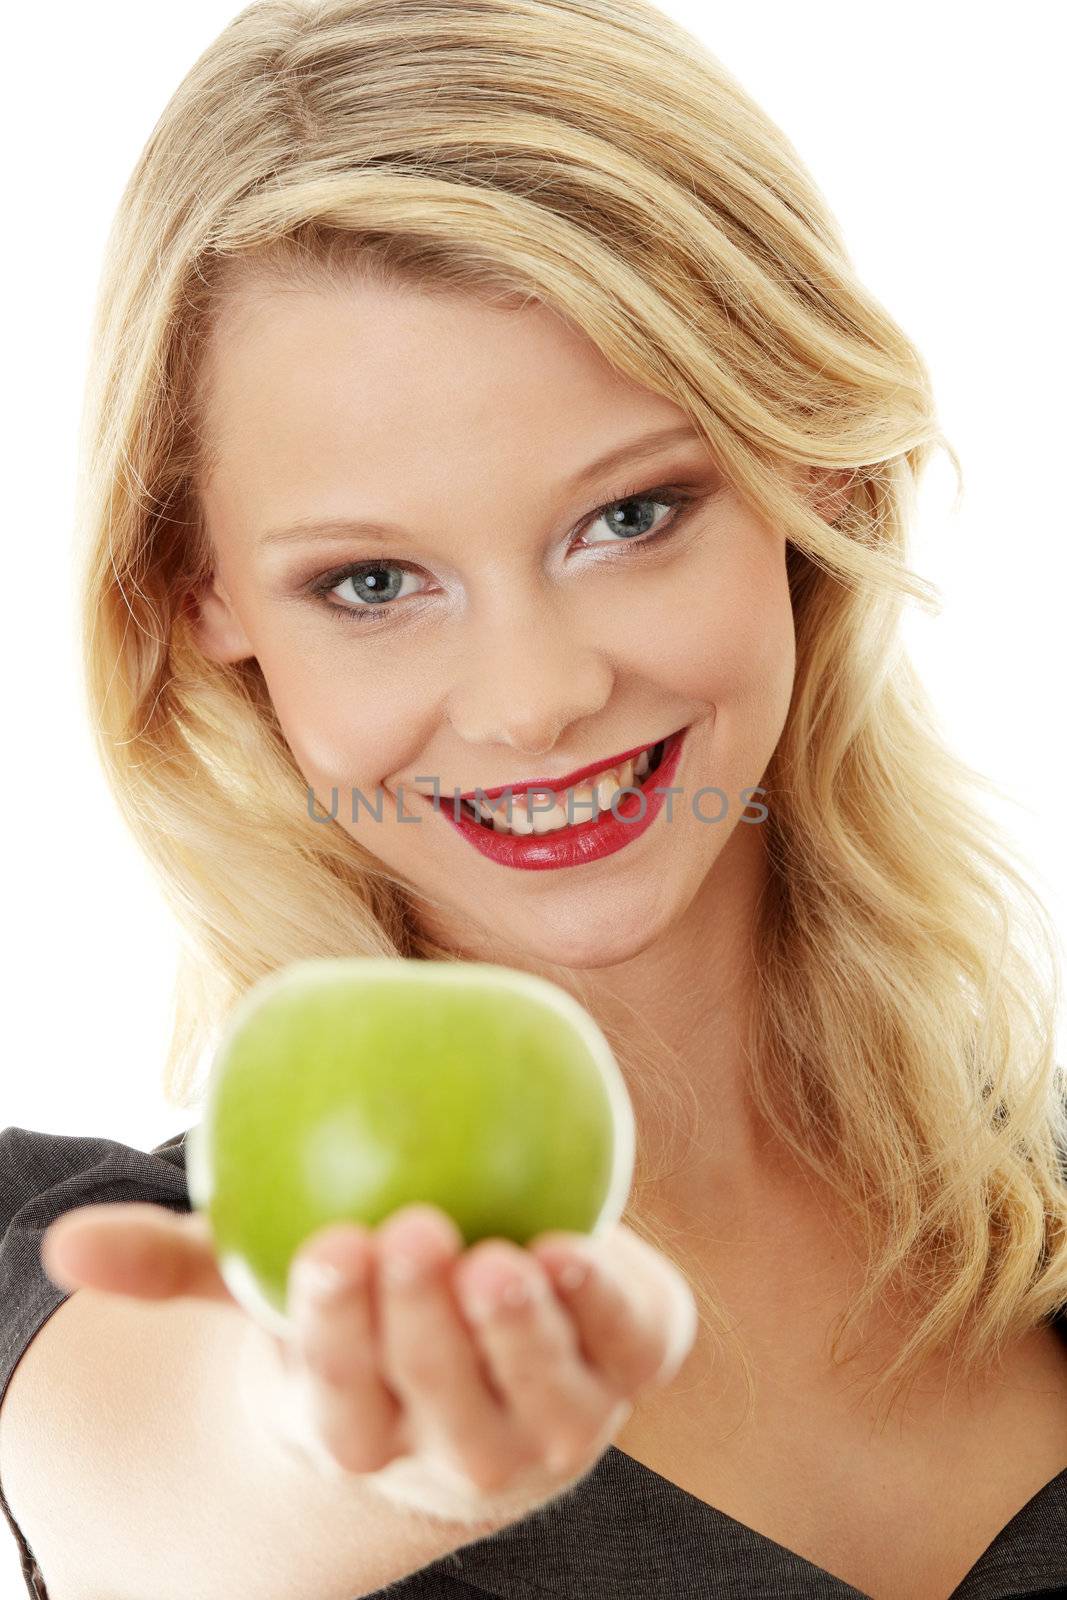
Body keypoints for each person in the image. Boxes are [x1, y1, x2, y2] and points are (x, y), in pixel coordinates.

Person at [3, 0, 1066, 1596]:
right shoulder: (122, 1288)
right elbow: (184, 1496)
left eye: (631, 514)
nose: (534, 699)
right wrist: (351, 1435)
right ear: (198, 594)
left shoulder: (1037, 1202)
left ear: (812, 472)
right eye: (371, 581)